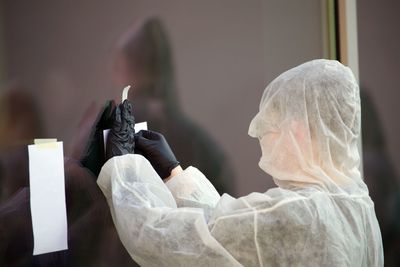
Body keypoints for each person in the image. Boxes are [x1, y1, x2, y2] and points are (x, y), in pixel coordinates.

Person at [98, 59, 383, 266]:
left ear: (296, 130)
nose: (263, 139)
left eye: (270, 128)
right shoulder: (357, 207)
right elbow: (228, 235)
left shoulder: (301, 214)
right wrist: (175, 174)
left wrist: (124, 167)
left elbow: (159, 237)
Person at [112, 17, 235, 195]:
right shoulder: (202, 145)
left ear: (130, 67)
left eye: (118, 66)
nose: (114, 76)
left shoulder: (119, 135)